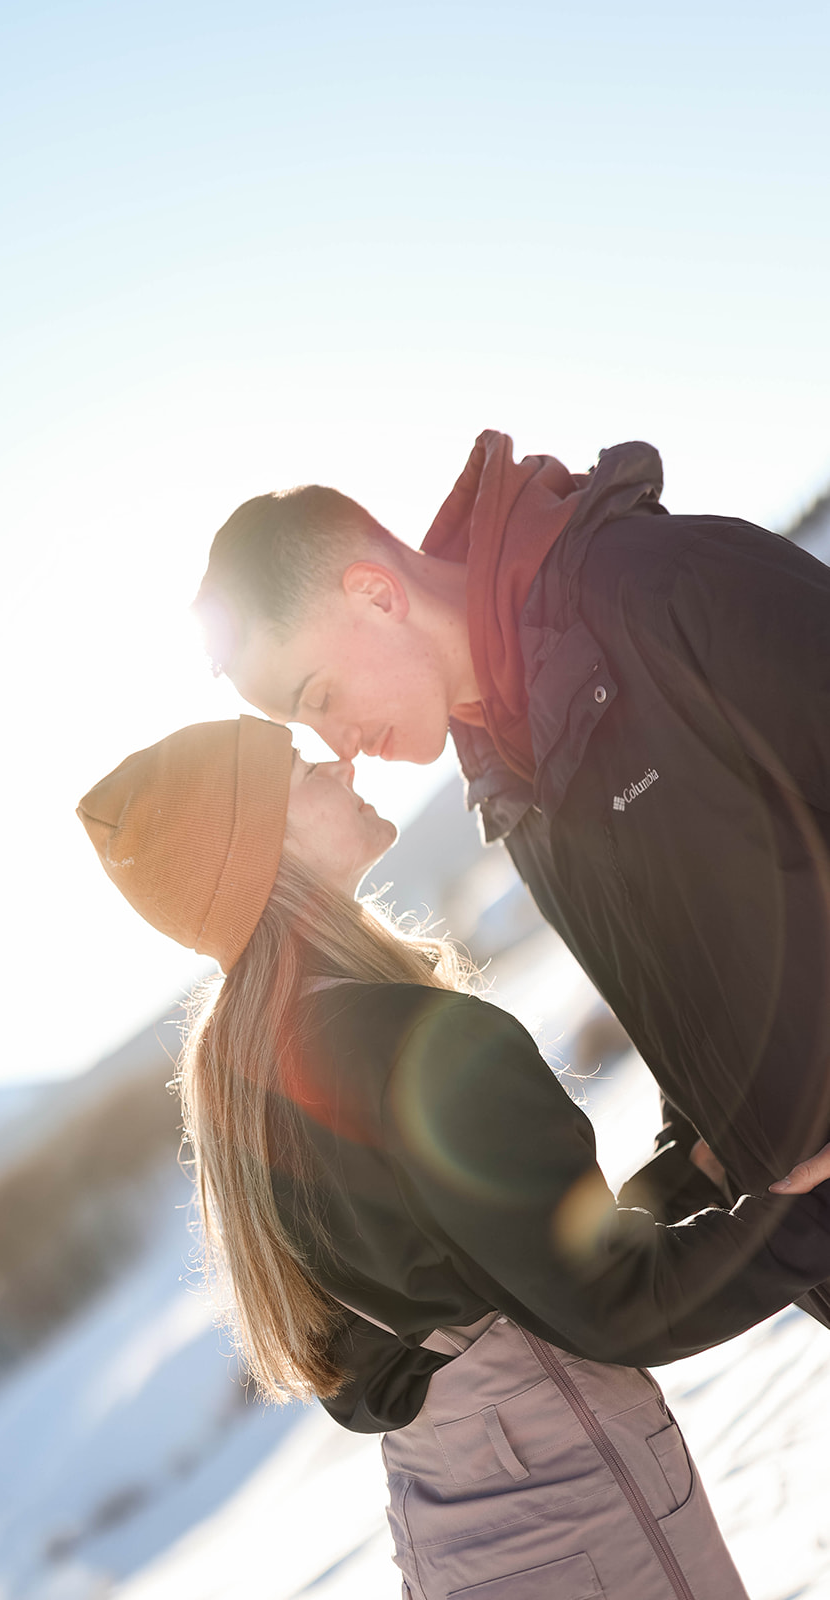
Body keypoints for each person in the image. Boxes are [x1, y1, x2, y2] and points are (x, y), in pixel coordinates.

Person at [76, 716, 830, 1600]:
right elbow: (613, 1308)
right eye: (296, 766)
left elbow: (494, 1291)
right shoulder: (406, 1043)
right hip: (573, 1515)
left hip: (459, 1528)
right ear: (261, 851)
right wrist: (808, 1217)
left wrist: (682, 1174)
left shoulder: (254, 1080)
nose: (337, 760)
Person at [193, 431, 830, 1287]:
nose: (336, 746)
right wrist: (692, 1157)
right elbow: (700, 983)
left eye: (321, 697)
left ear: (376, 594)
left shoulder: (661, 588)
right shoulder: (509, 771)